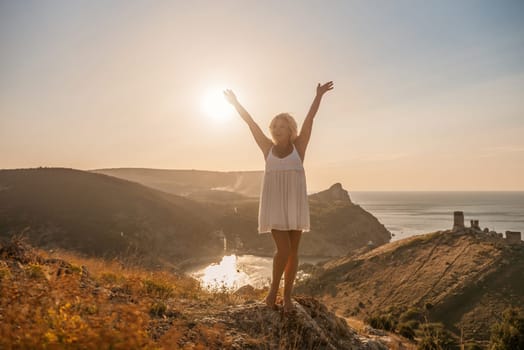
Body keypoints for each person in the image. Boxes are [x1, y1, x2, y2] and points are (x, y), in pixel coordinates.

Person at [224, 81, 334, 313]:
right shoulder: (267, 148)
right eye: (274, 125)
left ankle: (288, 297)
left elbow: (310, 120)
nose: (276, 129)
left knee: (294, 252)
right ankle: (272, 293)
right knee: (283, 250)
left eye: (281, 126)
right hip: (274, 206)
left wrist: (318, 96)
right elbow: (251, 123)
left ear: (290, 130)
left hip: (294, 204)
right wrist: (236, 104)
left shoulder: (299, 146)